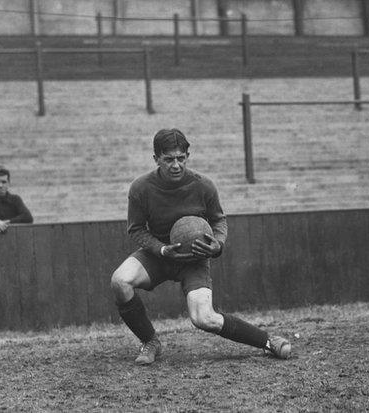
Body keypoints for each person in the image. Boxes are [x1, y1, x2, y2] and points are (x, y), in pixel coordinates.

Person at [110, 128, 291, 365]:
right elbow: (136, 229)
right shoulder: (141, 188)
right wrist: (161, 249)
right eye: (168, 159)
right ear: (156, 159)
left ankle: (267, 341)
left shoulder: (203, 186)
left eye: (181, 158)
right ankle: (150, 342)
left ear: (187, 156)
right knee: (120, 281)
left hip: (194, 259)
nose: (176, 165)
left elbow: (219, 220)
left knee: (204, 318)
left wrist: (216, 245)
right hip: (159, 254)